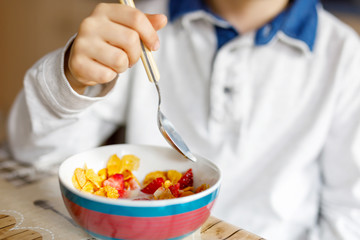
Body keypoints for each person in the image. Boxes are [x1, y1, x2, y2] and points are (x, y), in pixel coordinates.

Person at [6, 0, 360, 239]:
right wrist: (72, 78)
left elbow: (349, 217)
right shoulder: (143, 24)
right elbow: (31, 153)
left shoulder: (344, 58)